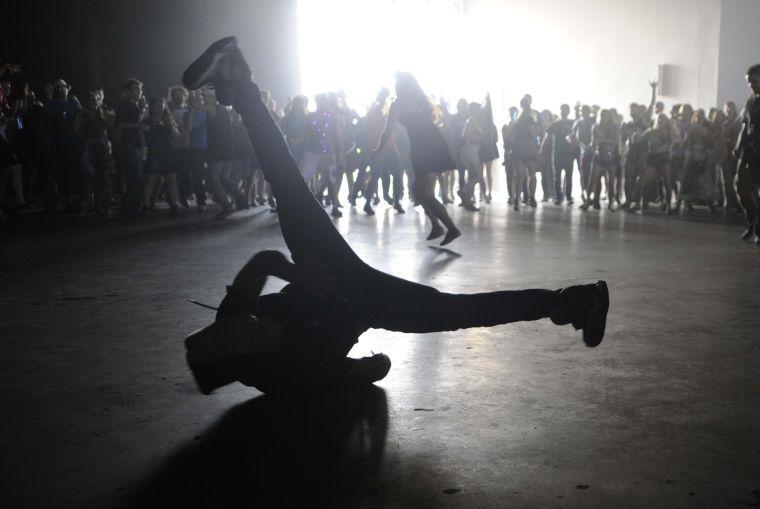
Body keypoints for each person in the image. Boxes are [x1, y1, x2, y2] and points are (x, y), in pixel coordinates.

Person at [180, 36, 610, 395]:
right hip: (366, 301)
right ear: (247, 364)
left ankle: (238, 80)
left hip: (325, 271)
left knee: (287, 185)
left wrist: (299, 276)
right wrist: (370, 366)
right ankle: (572, 302)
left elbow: (265, 261)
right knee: (456, 313)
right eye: (251, 340)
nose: (255, 326)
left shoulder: (232, 315)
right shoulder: (285, 375)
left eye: (245, 324)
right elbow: (356, 373)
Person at [375, 72, 461, 245]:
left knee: (426, 193)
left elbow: (388, 129)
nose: (395, 87)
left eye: (397, 84)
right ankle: (438, 226)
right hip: (432, 144)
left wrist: (378, 148)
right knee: (418, 189)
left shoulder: (399, 104)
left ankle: (450, 228)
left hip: (423, 148)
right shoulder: (420, 102)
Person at [735, 64, 760, 243]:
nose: (751, 85)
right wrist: (739, 145)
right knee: (741, 186)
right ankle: (753, 222)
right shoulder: (751, 100)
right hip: (750, 151)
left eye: (753, 81)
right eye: (749, 82)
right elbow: (745, 125)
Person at [544, 104, 574, 205]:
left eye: (566, 110)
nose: (564, 111)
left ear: (568, 111)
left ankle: (568, 196)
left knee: (568, 176)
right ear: (561, 111)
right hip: (557, 153)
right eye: (563, 110)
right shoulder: (555, 124)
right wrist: (541, 151)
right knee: (557, 176)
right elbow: (547, 137)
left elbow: (577, 137)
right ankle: (558, 196)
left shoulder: (572, 123)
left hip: (568, 153)